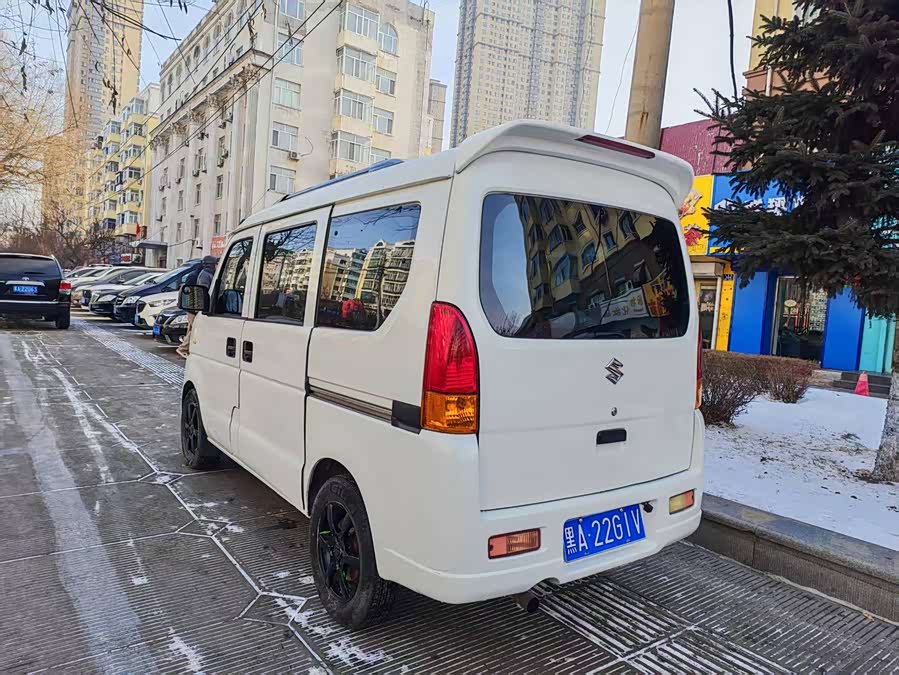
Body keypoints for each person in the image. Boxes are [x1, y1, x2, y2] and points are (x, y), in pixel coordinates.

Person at [177, 256, 217, 358]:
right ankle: (183, 348)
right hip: (196, 306)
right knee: (195, 328)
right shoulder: (204, 275)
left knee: (191, 328)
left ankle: (187, 347)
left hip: (194, 306)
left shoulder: (200, 273)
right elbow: (203, 290)